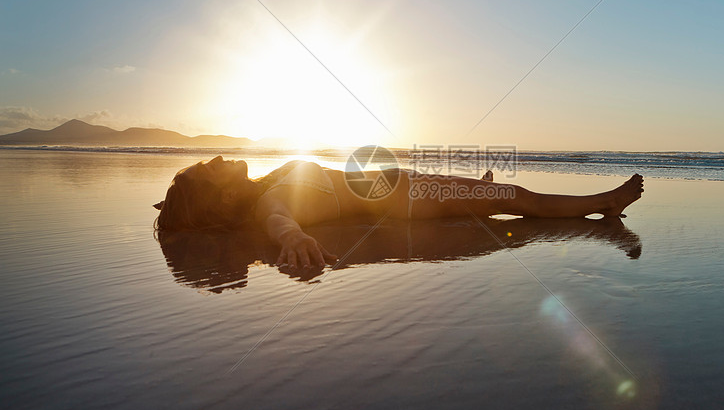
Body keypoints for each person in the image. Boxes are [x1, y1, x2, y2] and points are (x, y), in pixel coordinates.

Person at [154, 156, 644, 271]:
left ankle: (471, 201)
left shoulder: (264, 186)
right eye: (208, 170)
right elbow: (281, 220)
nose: (216, 160)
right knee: (514, 197)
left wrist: (175, 205)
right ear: (219, 198)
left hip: (401, 188)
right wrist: (291, 239)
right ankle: (605, 203)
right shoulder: (268, 202)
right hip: (407, 199)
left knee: (485, 196)